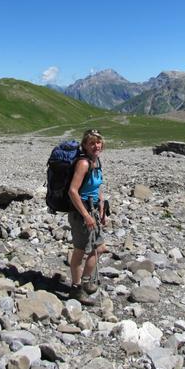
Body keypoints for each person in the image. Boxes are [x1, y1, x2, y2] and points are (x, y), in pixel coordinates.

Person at [67, 129, 108, 305]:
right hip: (81, 212)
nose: (96, 146)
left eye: (98, 142)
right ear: (85, 145)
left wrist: (102, 209)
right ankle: (76, 289)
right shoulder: (83, 163)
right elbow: (72, 191)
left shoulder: (96, 161)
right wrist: (85, 215)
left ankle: (85, 281)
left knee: (98, 248)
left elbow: (97, 188)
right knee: (80, 250)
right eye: (92, 143)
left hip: (93, 211)